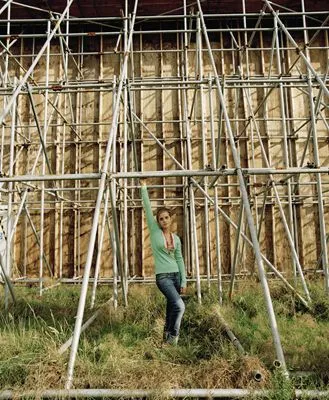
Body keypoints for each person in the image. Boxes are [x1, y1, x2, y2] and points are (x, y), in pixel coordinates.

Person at [140, 179, 187, 345]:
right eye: (161, 219)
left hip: (175, 276)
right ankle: (172, 341)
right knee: (180, 306)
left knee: (171, 308)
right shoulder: (154, 232)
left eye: (166, 217)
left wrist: (183, 279)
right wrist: (143, 188)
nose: (164, 220)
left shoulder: (176, 239)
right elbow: (147, 208)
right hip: (163, 278)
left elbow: (180, 259)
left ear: (170, 219)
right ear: (158, 221)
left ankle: (165, 337)